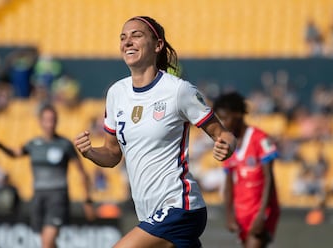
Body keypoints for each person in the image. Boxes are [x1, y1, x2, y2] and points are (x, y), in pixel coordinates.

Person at [74, 16, 236, 248]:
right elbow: (112, 154)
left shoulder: (178, 90)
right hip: (147, 213)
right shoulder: (116, 93)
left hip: (179, 207)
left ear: (157, 45)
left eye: (136, 35)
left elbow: (224, 134)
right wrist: (89, 152)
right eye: (123, 37)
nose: (127, 41)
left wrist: (227, 146)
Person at [0, 104, 92, 248]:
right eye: (47, 120)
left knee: (47, 241)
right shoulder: (33, 144)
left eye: (53, 120)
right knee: (46, 241)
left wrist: (87, 200)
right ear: (40, 122)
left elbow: (82, 172)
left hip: (58, 196)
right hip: (38, 196)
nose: (50, 123)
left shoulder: (65, 144)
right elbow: (14, 154)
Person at [213, 92, 280, 248]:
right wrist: (229, 215)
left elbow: (269, 179)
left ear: (238, 115)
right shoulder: (228, 144)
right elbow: (229, 183)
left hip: (261, 210)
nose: (222, 123)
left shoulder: (260, 139)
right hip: (242, 212)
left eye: (225, 118)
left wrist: (262, 215)